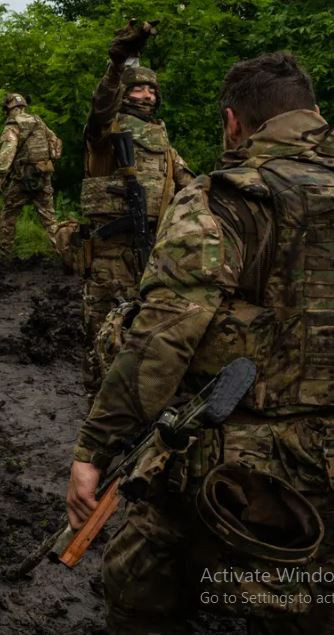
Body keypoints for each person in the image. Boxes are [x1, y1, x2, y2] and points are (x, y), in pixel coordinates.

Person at [66, 52, 334, 633]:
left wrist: (93, 450)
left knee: (137, 588)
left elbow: (162, 342)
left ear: (234, 123)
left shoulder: (227, 200)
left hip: (237, 470)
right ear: (313, 112)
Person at [77, 20, 195, 393]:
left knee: (146, 337)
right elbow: (100, 107)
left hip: (155, 253)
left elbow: (191, 186)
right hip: (111, 256)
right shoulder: (106, 132)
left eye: (151, 90)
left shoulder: (163, 143)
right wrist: (116, 67)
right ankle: (98, 411)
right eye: (138, 89)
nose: (146, 96)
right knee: (104, 338)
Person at [0, 92, 62, 256]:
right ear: (24, 106)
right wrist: (47, 162)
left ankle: (4, 254)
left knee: (9, 214)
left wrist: (0, 177)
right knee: (50, 219)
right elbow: (56, 143)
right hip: (42, 176)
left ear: (8, 108)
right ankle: (63, 252)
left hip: (21, 179)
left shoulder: (13, 125)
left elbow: (7, 152)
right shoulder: (38, 122)